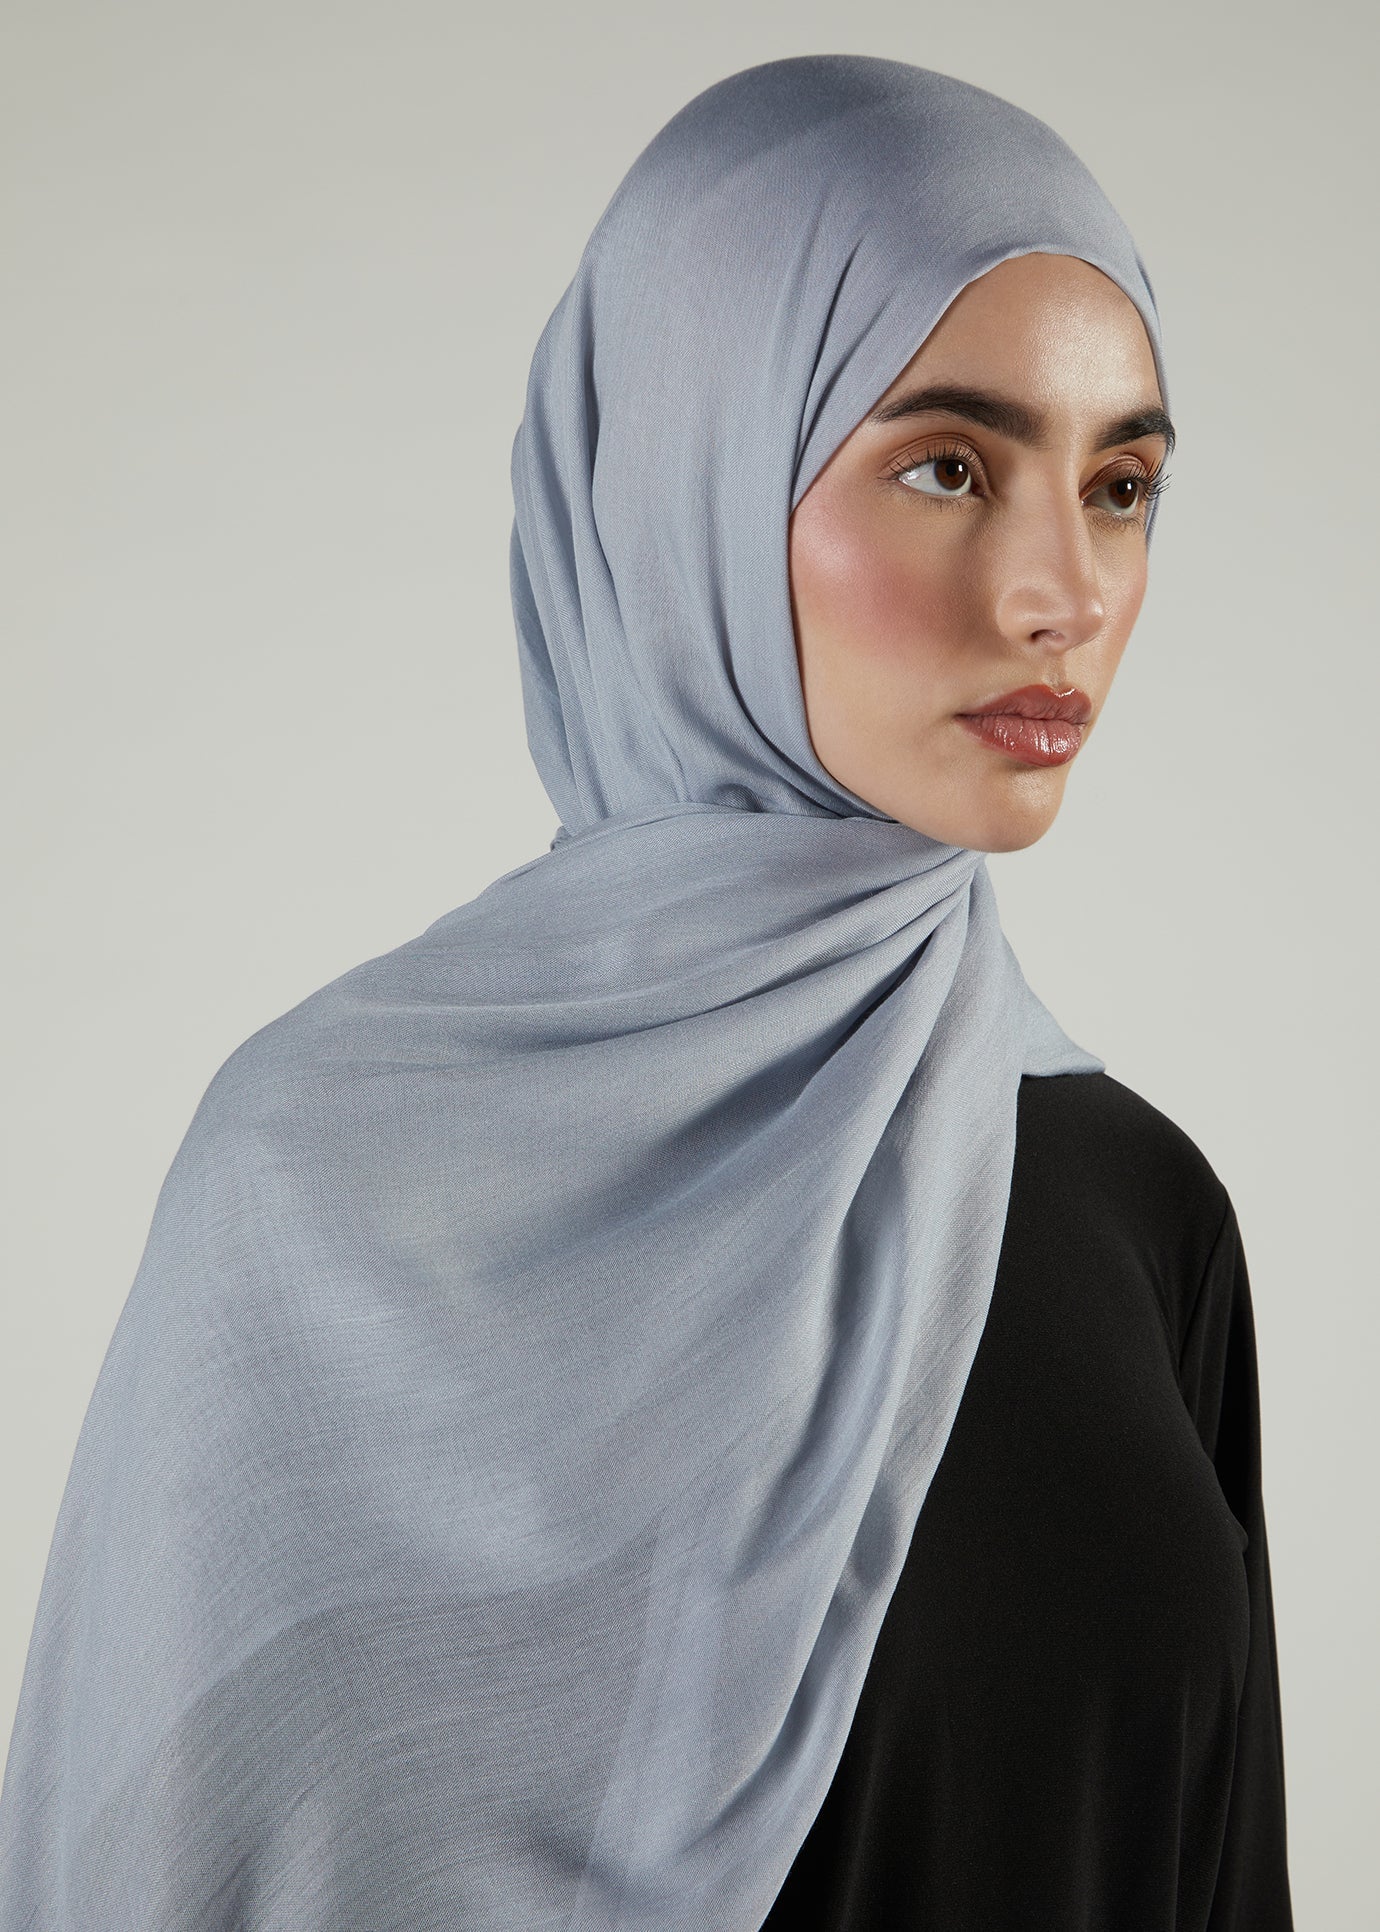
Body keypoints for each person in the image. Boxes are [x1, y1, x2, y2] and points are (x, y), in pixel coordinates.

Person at [0, 53, 1291, 1932]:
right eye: (947, 465)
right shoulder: (316, 1187)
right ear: (692, 477)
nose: (1063, 593)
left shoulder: (1138, 1211)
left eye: (1122, 487)